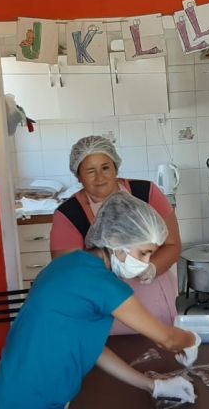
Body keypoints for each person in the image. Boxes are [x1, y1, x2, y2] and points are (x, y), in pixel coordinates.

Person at [0, 192, 201, 408]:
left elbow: (91, 346)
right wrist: (192, 340)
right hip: (30, 400)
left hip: (10, 393)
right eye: (143, 253)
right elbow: (167, 339)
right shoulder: (102, 285)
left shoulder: (67, 264)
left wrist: (154, 386)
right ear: (116, 240)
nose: (146, 262)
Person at [50, 135, 182, 335]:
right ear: (78, 176)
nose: (99, 177)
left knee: (161, 344)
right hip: (105, 303)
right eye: (90, 171)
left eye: (105, 168)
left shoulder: (146, 193)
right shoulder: (69, 214)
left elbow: (173, 245)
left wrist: (151, 268)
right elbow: (70, 271)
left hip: (154, 293)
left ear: (116, 167)